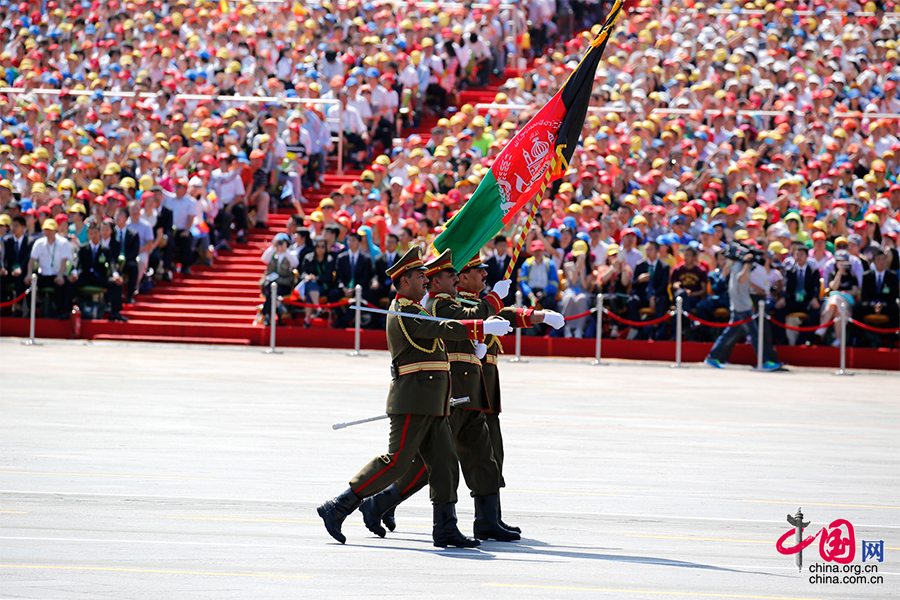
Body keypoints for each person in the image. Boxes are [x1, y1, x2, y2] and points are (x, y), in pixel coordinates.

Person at [316, 246, 513, 548]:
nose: (425, 281)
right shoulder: (404, 311)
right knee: (396, 462)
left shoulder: (416, 309)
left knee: (445, 464)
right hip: (412, 400)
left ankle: (445, 528)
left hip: (433, 402)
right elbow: (442, 328)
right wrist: (480, 325)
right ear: (404, 281)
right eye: (420, 276)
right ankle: (339, 505)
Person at [705, 245, 782, 370]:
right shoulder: (739, 266)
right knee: (755, 334)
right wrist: (746, 263)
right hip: (741, 305)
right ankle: (764, 362)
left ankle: (712, 357)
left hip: (740, 304)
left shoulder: (739, 265)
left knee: (729, 333)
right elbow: (741, 279)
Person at [25, 219, 75, 319]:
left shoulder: (63, 242)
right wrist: (29, 274)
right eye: (46, 230)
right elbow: (32, 260)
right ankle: (32, 311)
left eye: (50, 230)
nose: (47, 232)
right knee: (30, 285)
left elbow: (64, 261)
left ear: (55, 231)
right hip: (43, 275)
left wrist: (60, 275)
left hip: (56, 274)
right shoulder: (39, 243)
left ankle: (60, 311)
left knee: (61, 285)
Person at [776, 241, 821, 345]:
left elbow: (816, 286)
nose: (799, 257)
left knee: (815, 311)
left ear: (806, 256)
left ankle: (807, 339)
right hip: (793, 300)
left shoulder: (813, 270)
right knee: (779, 310)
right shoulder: (789, 270)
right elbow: (786, 286)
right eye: (797, 254)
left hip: (807, 300)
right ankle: (782, 338)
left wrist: (815, 298)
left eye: (801, 254)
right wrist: (782, 298)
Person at [817, 249, 860, 347]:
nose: (840, 263)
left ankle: (823, 326)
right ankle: (838, 338)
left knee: (836, 298)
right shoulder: (832, 275)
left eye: (843, 261)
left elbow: (854, 291)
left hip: (847, 302)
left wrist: (841, 293)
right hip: (836, 304)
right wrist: (839, 272)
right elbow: (833, 287)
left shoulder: (852, 277)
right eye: (838, 261)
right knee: (837, 306)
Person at [628, 240, 670, 340]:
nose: (648, 252)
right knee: (631, 301)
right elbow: (633, 285)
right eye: (646, 250)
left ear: (657, 251)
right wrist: (639, 280)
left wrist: (654, 296)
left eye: (650, 249)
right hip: (643, 296)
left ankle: (655, 329)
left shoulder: (664, 266)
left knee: (663, 300)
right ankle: (638, 329)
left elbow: (664, 285)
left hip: (657, 296)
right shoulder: (640, 265)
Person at [259, 233, 299, 326]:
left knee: (272, 291)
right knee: (272, 291)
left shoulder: (291, 253)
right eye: (279, 242)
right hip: (272, 284)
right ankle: (270, 315)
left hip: (284, 284)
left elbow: (295, 263)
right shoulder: (273, 253)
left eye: (282, 242)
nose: (280, 244)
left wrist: (285, 251)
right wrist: (273, 247)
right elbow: (264, 259)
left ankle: (266, 313)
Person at [858, 249, 899, 330]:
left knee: (894, 309)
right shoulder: (867, 276)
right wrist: (873, 304)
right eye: (878, 259)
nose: (881, 262)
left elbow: (894, 295)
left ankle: (892, 339)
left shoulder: (892, 275)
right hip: (871, 304)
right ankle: (858, 338)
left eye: (883, 259)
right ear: (874, 261)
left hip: (886, 305)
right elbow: (864, 295)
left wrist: (883, 304)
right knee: (858, 308)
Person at [2, 216, 32, 316]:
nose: (13, 228)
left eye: (16, 226)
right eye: (12, 226)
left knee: (20, 279)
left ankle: (18, 308)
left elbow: (27, 259)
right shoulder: (7, 240)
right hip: (10, 271)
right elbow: (5, 258)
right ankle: (3, 307)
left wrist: (20, 269)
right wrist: (3, 268)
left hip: (24, 271)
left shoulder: (30, 241)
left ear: (23, 227)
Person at [519, 240, 559, 311]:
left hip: (545, 292)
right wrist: (529, 294)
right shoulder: (527, 264)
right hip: (531, 291)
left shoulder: (550, 264)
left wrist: (545, 292)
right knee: (524, 308)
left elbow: (554, 282)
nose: (537, 253)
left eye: (539, 250)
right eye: (535, 251)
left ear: (543, 251)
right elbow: (523, 282)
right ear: (532, 252)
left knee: (550, 304)